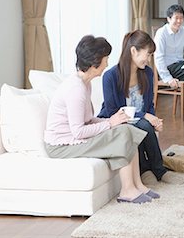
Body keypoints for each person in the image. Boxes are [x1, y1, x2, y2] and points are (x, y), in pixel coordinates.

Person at [44, 35, 158, 204]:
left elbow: (88, 120)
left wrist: (112, 120)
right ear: (94, 62)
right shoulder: (76, 90)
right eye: (105, 59)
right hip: (61, 146)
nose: (106, 64)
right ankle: (127, 190)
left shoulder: (84, 83)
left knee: (127, 129)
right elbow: (78, 132)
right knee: (123, 133)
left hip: (72, 138)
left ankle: (137, 185)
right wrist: (109, 123)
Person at [98, 30, 178, 185]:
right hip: (116, 122)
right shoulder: (110, 76)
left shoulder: (147, 73)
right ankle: (155, 170)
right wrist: (145, 116)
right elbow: (112, 111)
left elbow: (149, 105)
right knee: (141, 124)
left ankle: (149, 170)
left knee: (143, 125)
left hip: (140, 123)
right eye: (147, 54)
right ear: (133, 51)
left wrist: (155, 120)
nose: (149, 60)